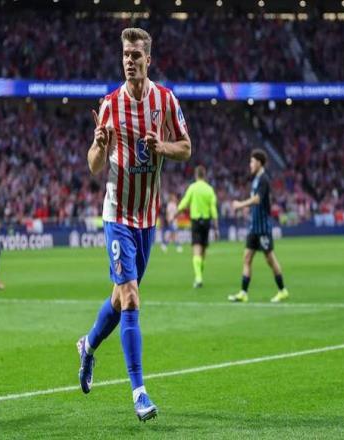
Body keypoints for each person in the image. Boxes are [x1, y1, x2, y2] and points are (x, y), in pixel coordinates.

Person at [77, 27, 191, 422]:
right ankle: (139, 392)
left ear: (148, 59)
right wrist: (99, 145)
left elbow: (186, 148)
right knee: (130, 297)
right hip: (117, 215)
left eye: (135, 55)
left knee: (118, 297)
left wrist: (163, 147)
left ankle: (88, 345)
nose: (129, 60)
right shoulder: (110, 104)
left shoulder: (165, 100)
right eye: (125, 54)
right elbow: (94, 166)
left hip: (147, 217)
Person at [228, 149, 289, 303]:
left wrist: (240, 205)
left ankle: (282, 290)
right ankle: (243, 293)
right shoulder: (256, 180)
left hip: (263, 228)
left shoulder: (264, 179)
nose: (250, 164)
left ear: (259, 163)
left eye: (252, 162)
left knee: (270, 259)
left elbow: (257, 199)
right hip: (254, 227)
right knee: (247, 258)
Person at [173, 165, 219, 288]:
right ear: (205, 175)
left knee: (196, 249)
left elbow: (184, 202)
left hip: (196, 222)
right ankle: (199, 276)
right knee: (203, 251)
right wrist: (216, 227)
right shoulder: (209, 189)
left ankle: (198, 278)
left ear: (196, 175)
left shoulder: (193, 187)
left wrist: (176, 213)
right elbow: (213, 209)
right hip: (207, 222)